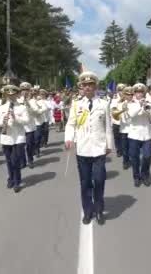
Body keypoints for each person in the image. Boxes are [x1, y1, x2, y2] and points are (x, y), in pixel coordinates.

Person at [65, 71, 113, 225]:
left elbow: (108, 126)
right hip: (83, 149)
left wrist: (109, 144)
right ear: (82, 87)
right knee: (85, 182)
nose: (87, 88)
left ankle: (99, 209)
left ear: (95, 86)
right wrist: (68, 138)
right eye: (84, 85)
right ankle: (88, 211)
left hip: (99, 148)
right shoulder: (77, 104)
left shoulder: (104, 104)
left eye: (90, 85)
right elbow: (71, 124)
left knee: (99, 180)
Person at [0, 85, 29, 193]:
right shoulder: (1, 108)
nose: (11, 97)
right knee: (9, 160)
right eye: (8, 95)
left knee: (15, 160)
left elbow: (26, 120)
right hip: (6, 137)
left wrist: (16, 118)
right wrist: (2, 122)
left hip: (18, 137)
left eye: (13, 94)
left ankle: (17, 181)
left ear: (17, 94)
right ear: (6, 95)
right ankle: (11, 178)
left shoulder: (22, 107)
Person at [126, 83, 151, 187]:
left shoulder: (148, 103)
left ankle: (145, 175)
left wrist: (146, 109)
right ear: (135, 93)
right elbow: (131, 115)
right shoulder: (130, 103)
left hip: (146, 134)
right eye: (137, 92)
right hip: (134, 134)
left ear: (144, 93)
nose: (139, 94)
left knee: (147, 156)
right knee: (135, 157)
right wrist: (140, 106)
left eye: (141, 92)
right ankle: (136, 176)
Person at [19, 83, 40, 168]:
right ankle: (22, 161)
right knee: (20, 145)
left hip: (30, 127)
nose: (25, 92)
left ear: (30, 91)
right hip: (20, 127)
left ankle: (30, 160)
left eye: (27, 90)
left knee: (29, 144)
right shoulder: (17, 101)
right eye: (23, 90)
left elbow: (37, 113)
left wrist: (28, 105)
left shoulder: (32, 101)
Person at [117, 86, 133, 170]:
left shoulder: (135, 104)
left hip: (133, 129)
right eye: (127, 94)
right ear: (125, 95)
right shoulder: (120, 105)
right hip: (124, 129)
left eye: (131, 94)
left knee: (132, 148)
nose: (129, 96)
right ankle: (125, 162)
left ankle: (132, 160)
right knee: (125, 147)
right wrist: (123, 111)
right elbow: (119, 118)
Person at [110, 83, 126, 158]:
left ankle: (124, 150)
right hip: (116, 122)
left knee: (124, 138)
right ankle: (118, 150)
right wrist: (120, 100)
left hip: (125, 122)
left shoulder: (128, 99)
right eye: (120, 90)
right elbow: (113, 109)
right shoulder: (114, 99)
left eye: (123, 90)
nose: (121, 92)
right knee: (117, 138)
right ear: (118, 91)